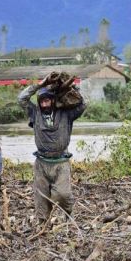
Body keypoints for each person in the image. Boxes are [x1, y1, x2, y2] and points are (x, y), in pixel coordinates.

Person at [18, 74, 86, 226]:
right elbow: (21, 99)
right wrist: (41, 84)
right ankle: (43, 225)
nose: (44, 103)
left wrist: (73, 87)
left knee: (63, 194)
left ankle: (68, 214)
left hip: (61, 162)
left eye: (47, 100)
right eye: (42, 101)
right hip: (41, 163)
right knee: (41, 197)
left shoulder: (66, 114)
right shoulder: (35, 113)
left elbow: (83, 104)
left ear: (53, 101)